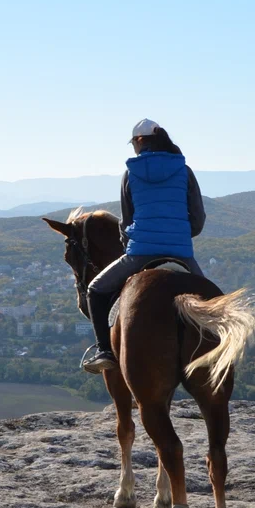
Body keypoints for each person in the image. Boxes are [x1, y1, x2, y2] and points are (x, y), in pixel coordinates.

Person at [82, 119, 206, 373]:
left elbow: (127, 220)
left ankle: (104, 350)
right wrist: (181, 235)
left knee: (95, 290)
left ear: (140, 141)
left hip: (141, 253)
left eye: (133, 144)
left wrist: (130, 241)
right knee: (213, 301)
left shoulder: (131, 172)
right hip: (181, 252)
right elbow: (198, 218)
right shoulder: (185, 170)